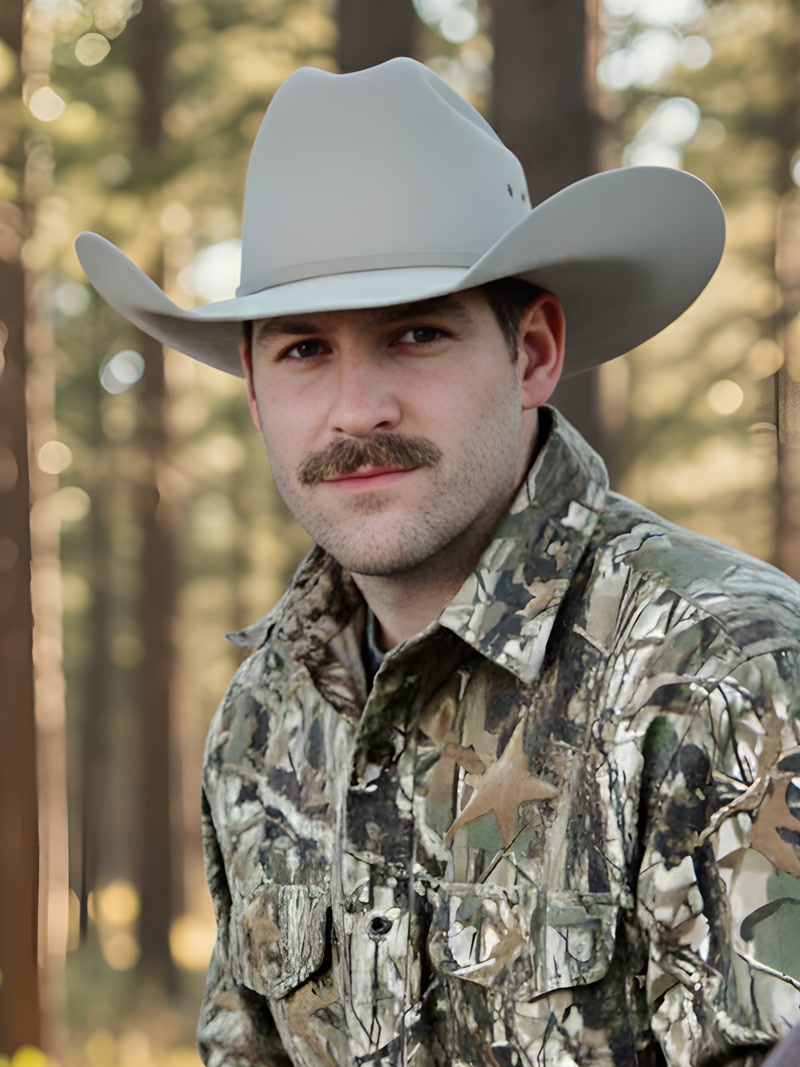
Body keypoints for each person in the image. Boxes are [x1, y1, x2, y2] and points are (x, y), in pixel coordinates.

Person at [77, 58, 800, 1067]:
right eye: (302, 350)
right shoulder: (265, 715)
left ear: (533, 351)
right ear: (251, 387)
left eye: (415, 333)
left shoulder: (726, 673)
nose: (356, 409)